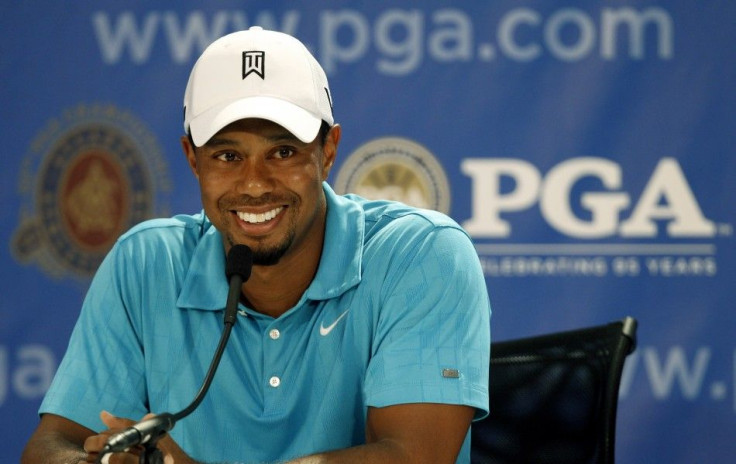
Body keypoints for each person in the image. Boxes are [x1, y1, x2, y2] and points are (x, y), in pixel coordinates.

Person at [21, 27, 491, 464]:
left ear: (328, 150)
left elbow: (411, 457)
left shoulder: (422, 255)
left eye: (283, 152)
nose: (254, 184)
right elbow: (53, 443)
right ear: (192, 159)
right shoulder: (145, 263)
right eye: (227, 155)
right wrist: (96, 460)